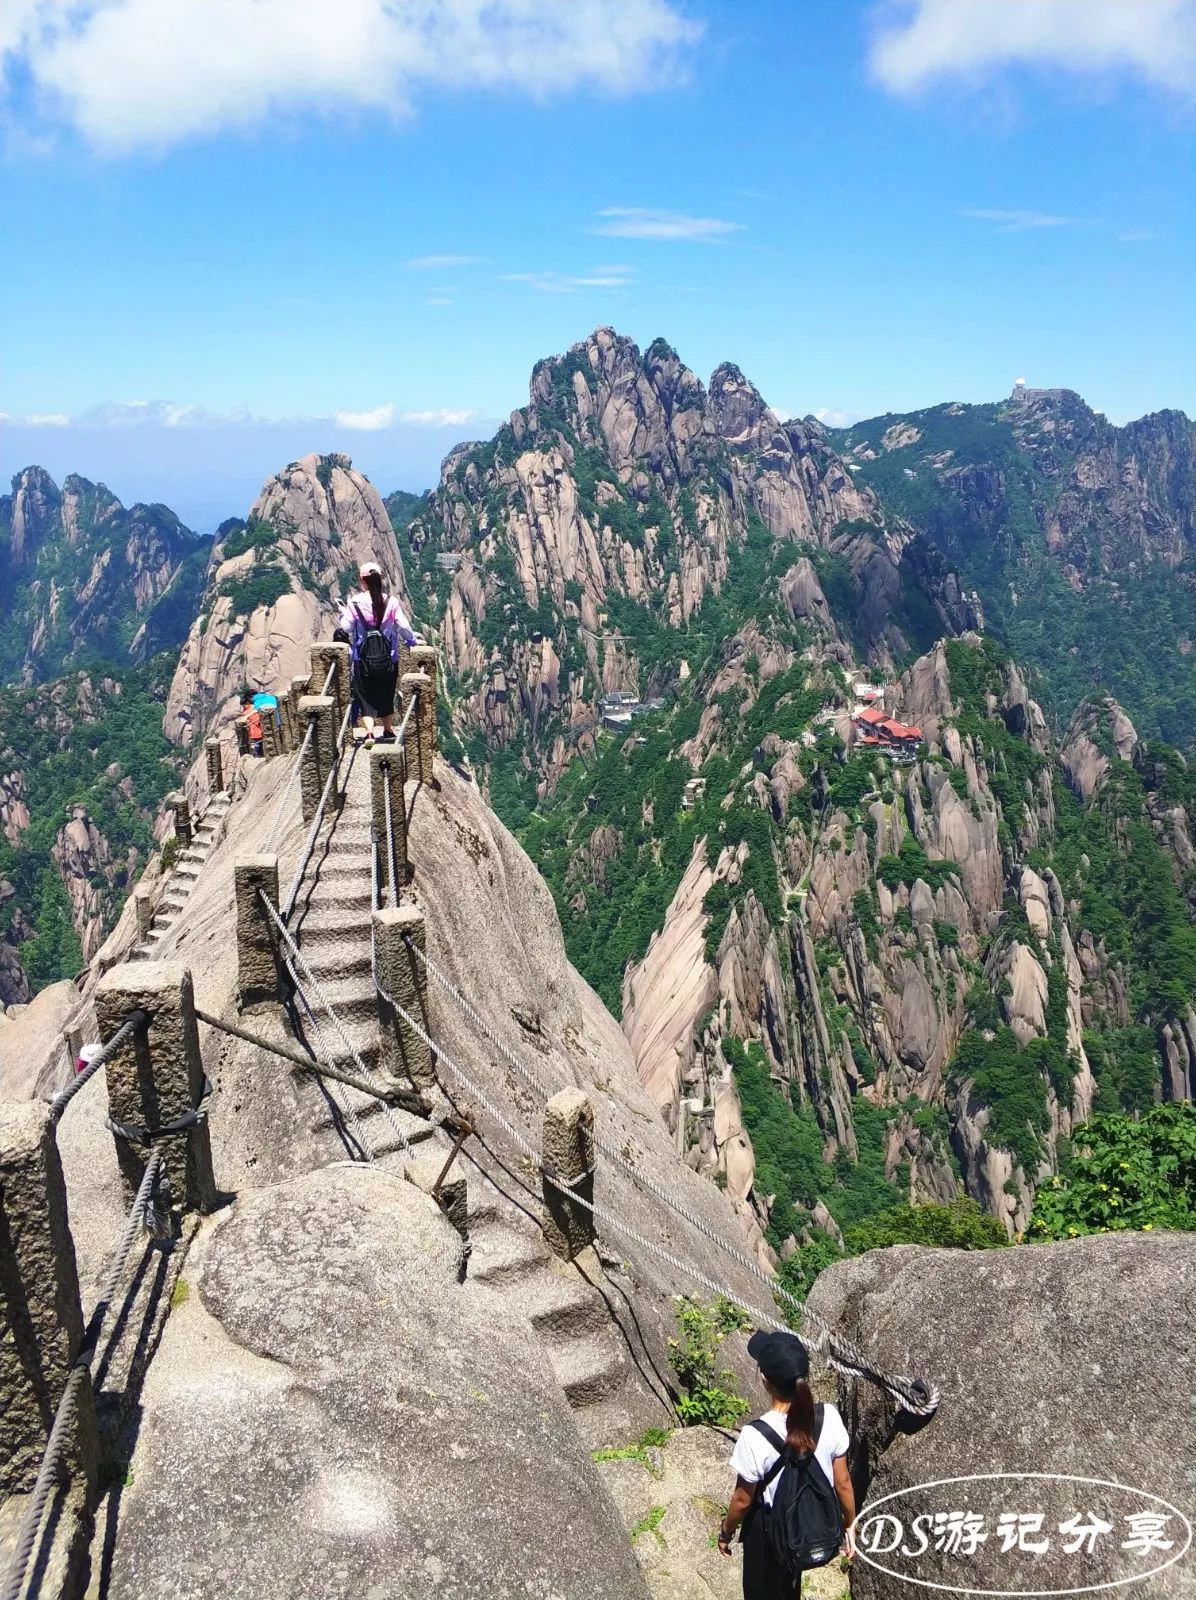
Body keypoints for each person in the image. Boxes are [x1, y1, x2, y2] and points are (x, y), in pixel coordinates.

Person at [718, 1330, 856, 1598]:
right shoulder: (829, 1416)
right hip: (804, 1523)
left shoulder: (754, 1435)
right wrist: (850, 1524)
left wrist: (726, 1531)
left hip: (769, 1536)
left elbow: (743, 1501)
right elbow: (843, 1483)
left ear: (764, 1379)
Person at [337, 562, 417, 747]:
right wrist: (412, 640)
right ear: (380, 579)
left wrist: (342, 614)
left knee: (364, 695)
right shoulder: (391, 602)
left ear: (361, 580)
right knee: (386, 692)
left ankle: (370, 733)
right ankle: (388, 730)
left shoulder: (354, 602)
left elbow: (346, 627)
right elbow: (404, 627)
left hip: (362, 660)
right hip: (389, 659)